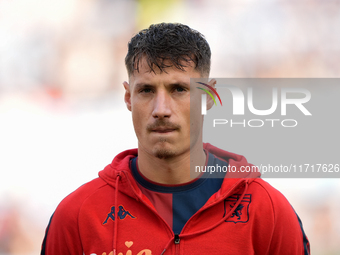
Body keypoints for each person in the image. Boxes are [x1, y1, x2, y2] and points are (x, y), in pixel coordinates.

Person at [41, 23, 310, 255]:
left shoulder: (267, 211)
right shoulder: (78, 215)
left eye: (179, 89)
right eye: (146, 90)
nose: (161, 110)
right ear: (128, 98)